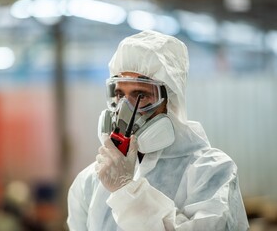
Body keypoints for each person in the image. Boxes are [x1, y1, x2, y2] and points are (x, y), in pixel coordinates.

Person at [67, 30, 249, 231]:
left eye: (141, 95)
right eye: (119, 94)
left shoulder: (211, 172)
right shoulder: (91, 181)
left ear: (169, 102)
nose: (125, 110)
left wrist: (127, 193)